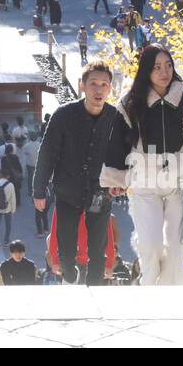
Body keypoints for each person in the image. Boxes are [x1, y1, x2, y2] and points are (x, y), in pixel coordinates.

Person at [106, 43, 183, 286]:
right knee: (150, 244)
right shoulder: (130, 102)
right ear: (146, 70)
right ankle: (147, 287)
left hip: (180, 181)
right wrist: (116, 182)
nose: (163, 72)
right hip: (145, 180)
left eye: (168, 65)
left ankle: (170, 297)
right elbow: (117, 144)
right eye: (156, 67)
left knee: (175, 246)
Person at [34, 60, 123, 285]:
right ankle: (67, 268)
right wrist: (39, 189)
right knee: (66, 245)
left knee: (97, 248)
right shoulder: (64, 115)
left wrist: (122, 181)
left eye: (104, 84)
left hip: (99, 192)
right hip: (68, 190)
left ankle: (93, 289)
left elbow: (124, 154)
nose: (98, 89)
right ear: (82, 85)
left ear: (109, 88)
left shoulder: (116, 118)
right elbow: (47, 153)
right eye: (93, 83)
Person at [0, 166, 18, 250]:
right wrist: (13, 210)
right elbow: (13, 198)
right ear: (8, 176)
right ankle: (6, 241)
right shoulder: (10, 185)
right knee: (8, 225)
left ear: (0, 174)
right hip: (7, 209)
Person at [21, 132, 41, 219]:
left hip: (30, 164)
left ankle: (30, 190)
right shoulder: (40, 144)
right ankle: (37, 188)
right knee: (37, 177)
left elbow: (24, 152)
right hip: (38, 164)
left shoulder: (27, 145)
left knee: (30, 178)